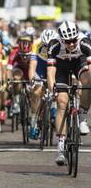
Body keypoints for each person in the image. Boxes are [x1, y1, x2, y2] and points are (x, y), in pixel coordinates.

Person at [47, 21, 91, 166]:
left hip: (79, 63)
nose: (71, 44)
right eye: (67, 41)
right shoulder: (54, 45)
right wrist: (52, 89)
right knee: (61, 103)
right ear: (61, 39)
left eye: (73, 40)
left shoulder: (85, 42)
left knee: (88, 83)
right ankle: (60, 146)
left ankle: (83, 117)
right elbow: (51, 71)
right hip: (61, 68)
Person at [28, 29, 58, 139]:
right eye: (45, 45)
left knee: (56, 87)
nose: (48, 47)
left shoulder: (60, 45)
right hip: (40, 66)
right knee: (36, 92)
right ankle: (33, 122)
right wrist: (32, 80)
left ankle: (54, 108)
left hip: (54, 65)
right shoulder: (36, 43)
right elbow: (32, 65)